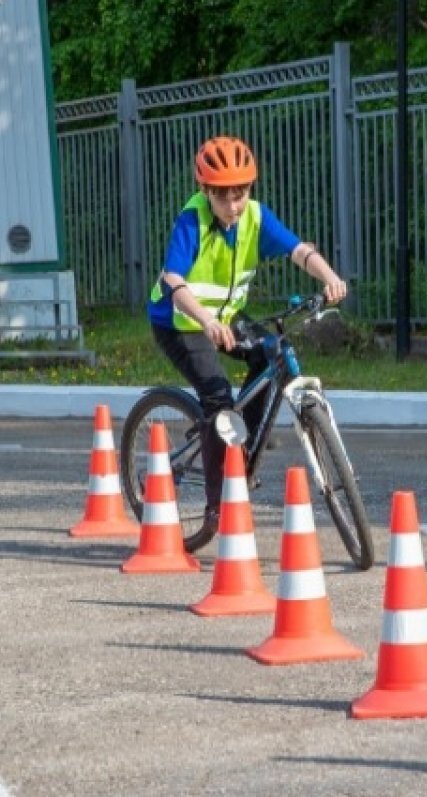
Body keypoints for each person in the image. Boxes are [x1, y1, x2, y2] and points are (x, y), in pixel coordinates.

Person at [147, 135, 348, 544]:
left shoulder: (255, 217)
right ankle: (218, 503)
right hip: (180, 322)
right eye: (223, 197)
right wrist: (204, 321)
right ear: (205, 191)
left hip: (225, 318)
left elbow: (298, 250)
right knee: (218, 396)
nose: (233, 206)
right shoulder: (193, 221)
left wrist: (329, 277)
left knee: (269, 354)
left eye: (240, 194)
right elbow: (173, 279)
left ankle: (242, 447)